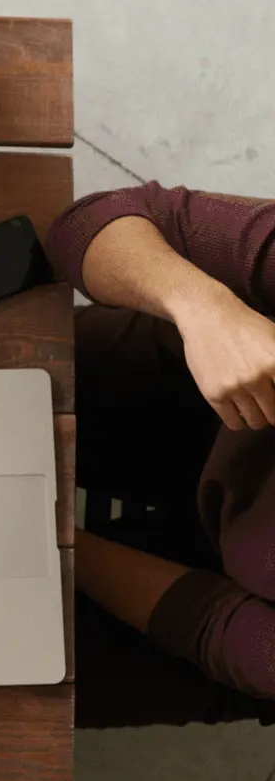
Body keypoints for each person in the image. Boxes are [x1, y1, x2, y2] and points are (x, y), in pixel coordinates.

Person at [47, 183, 275, 724]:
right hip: (189, 392)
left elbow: (213, 626)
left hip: (231, 590)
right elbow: (82, 227)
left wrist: (56, 542)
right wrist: (205, 308)